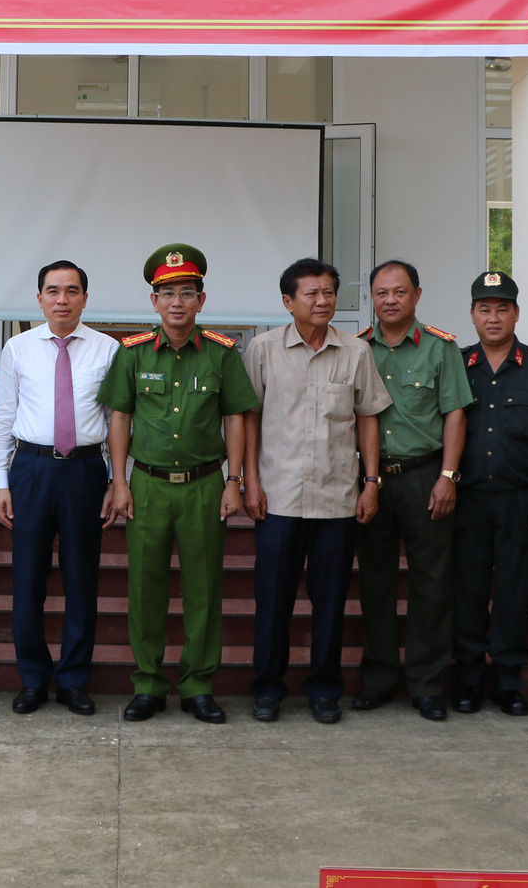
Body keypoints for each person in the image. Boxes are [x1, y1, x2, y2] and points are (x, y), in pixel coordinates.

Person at [97, 244, 258, 724]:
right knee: (145, 587)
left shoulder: (223, 354)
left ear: (201, 300)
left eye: (186, 293)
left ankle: (197, 686)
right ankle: (147, 684)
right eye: (167, 293)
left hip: (205, 485)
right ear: (154, 302)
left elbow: (235, 418)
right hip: (146, 485)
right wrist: (119, 482)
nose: (177, 303)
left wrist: (236, 481)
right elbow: (119, 417)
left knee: (203, 589)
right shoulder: (132, 353)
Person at [241, 258, 386, 724]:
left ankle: (325, 689)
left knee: (330, 603)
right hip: (278, 497)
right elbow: (249, 420)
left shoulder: (355, 352)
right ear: (288, 301)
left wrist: (370, 482)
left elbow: (368, 417)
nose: (323, 301)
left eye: (329, 293)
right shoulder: (263, 350)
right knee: (274, 602)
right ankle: (267, 688)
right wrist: (250, 481)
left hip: (337, 498)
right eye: (311, 294)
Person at [0, 259, 118, 717]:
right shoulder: (18, 348)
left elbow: (113, 422)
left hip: (85, 472)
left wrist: (114, 480)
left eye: (71, 291)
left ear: (85, 297)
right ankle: (32, 679)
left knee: (81, 580)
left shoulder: (108, 350)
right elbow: (3, 417)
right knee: (28, 579)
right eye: (53, 291)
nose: (62, 299)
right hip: (31, 470)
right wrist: (0, 483)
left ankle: (73, 680)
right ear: (39, 298)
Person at [351, 259, 473, 721]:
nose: (390, 301)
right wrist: (368, 480)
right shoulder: (358, 348)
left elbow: (455, 416)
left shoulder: (441, 349)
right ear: (372, 298)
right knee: (376, 582)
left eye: (399, 292)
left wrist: (448, 477)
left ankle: (425, 683)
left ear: (417, 295)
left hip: (425, 477)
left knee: (431, 582)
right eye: (381, 293)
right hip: (371, 480)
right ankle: (379, 679)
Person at [451, 270, 528, 717]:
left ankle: (509, 681)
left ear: (516, 313)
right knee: (468, 593)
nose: (493, 317)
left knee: (517, 593)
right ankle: (467, 680)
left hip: (523, 500)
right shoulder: (457, 365)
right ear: (473, 315)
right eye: (485, 308)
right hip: (468, 500)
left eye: (502, 308)